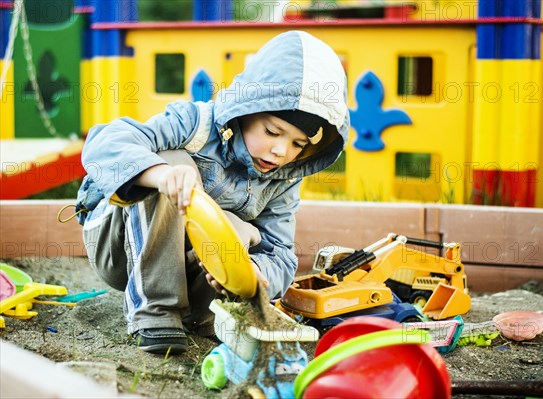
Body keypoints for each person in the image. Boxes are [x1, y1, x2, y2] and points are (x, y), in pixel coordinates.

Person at [75, 30, 349, 355]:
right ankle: (156, 312)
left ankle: (200, 317)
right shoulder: (195, 124)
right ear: (246, 111)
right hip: (118, 247)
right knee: (176, 163)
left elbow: (281, 252)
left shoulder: (283, 178)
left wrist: (257, 271)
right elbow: (105, 141)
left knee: (241, 235)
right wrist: (161, 175)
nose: (280, 151)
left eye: (298, 144)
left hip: (189, 269)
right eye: (272, 131)